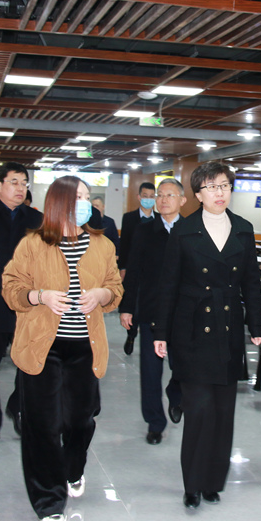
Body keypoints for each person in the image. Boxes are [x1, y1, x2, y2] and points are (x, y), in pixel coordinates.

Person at [2, 176, 122, 521]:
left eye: (87, 197)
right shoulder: (33, 244)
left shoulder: (102, 245)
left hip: (85, 347)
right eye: (77, 197)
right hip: (43, 346)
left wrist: (101, 295)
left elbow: (115, 288)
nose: (84, 203)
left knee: (79, 420)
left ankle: (73, 467)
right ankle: (49, 502)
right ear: (58, 203)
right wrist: (39, 296)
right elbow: (11, 288)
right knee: (42, 425)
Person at [153, 162, 261, 509]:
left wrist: (256, 325)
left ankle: (214, 482)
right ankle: (193, 484)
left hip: (227, 330)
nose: (220, 193)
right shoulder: (184, 231)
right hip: (191, 331)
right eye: (212, 187)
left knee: (223, 412)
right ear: (198, 194)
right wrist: (160, 331)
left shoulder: (243, 229)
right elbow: (168, 284)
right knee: (199, 410)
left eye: (225, 186)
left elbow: (251, 282)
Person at [0, 163, 43, 447]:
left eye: (24, 183)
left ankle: (17, 407)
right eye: (14, 182)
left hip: (26, 305)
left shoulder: (37, 219)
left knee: (28, 365)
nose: (20, 188)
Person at [119, 179, 185, 445]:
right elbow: (133, 272)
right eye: (160, 195)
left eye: (170, 195)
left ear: (182, 200)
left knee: (182, 367)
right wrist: (127, 308)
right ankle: (155, 422)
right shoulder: (145, 231)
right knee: (149, 371)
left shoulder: (192, 230)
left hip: (183, 314)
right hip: (151, 311)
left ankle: (176, 393)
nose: (163, 199)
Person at [118, 182, 156, 354]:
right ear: (139, 197)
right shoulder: (129, 218)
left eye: (151, 196)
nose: (148, 199)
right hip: (134, 269)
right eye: (145, 196)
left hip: (152, 271)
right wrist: (122, 268)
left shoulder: (159, 219)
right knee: (132, 303)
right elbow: (124, 245)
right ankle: (131, 334)